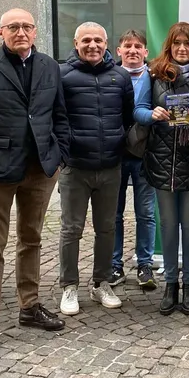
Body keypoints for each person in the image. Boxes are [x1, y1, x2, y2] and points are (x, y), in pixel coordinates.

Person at [0, 8, 70, 356]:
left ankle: (29, 307)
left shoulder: (50, 66)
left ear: (35, 32)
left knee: (31, 239)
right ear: (0, 32)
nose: (21, 32)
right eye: (13, 27)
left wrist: (59, 156)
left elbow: (59, 115)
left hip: (40, 168)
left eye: (27, 27)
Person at [135, 22, 189, 315]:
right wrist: (152, 114)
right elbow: (138, 110)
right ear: (169, 46)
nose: (182, 49)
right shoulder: (154, 74)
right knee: (169, 225)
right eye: (177, 43)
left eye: (187, 43)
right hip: (161, 159)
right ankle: (170, 283)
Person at [57, 22, 134, 316]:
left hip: (111, 166)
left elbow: (127, 117)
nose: (93, 45)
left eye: (98, 40)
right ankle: (69, 286)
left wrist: (118, 146)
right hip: (75, 167)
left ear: (106, 44)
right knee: (71, 229)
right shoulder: (62, 75)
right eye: (86, 40)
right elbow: (56, 117)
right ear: (76, 43)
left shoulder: (120, 76)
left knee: (107, 228)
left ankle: (101, 283)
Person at [111, 30, 158, 290]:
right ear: (119, 51)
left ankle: (145, 265)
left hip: (145, 154)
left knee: (146, 213)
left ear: (145, 52)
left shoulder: (156, 77)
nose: (132, 50)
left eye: (137, 46)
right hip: (114, 155)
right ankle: (114, 265)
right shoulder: (109, 75)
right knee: (113, 214)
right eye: (127, 46)